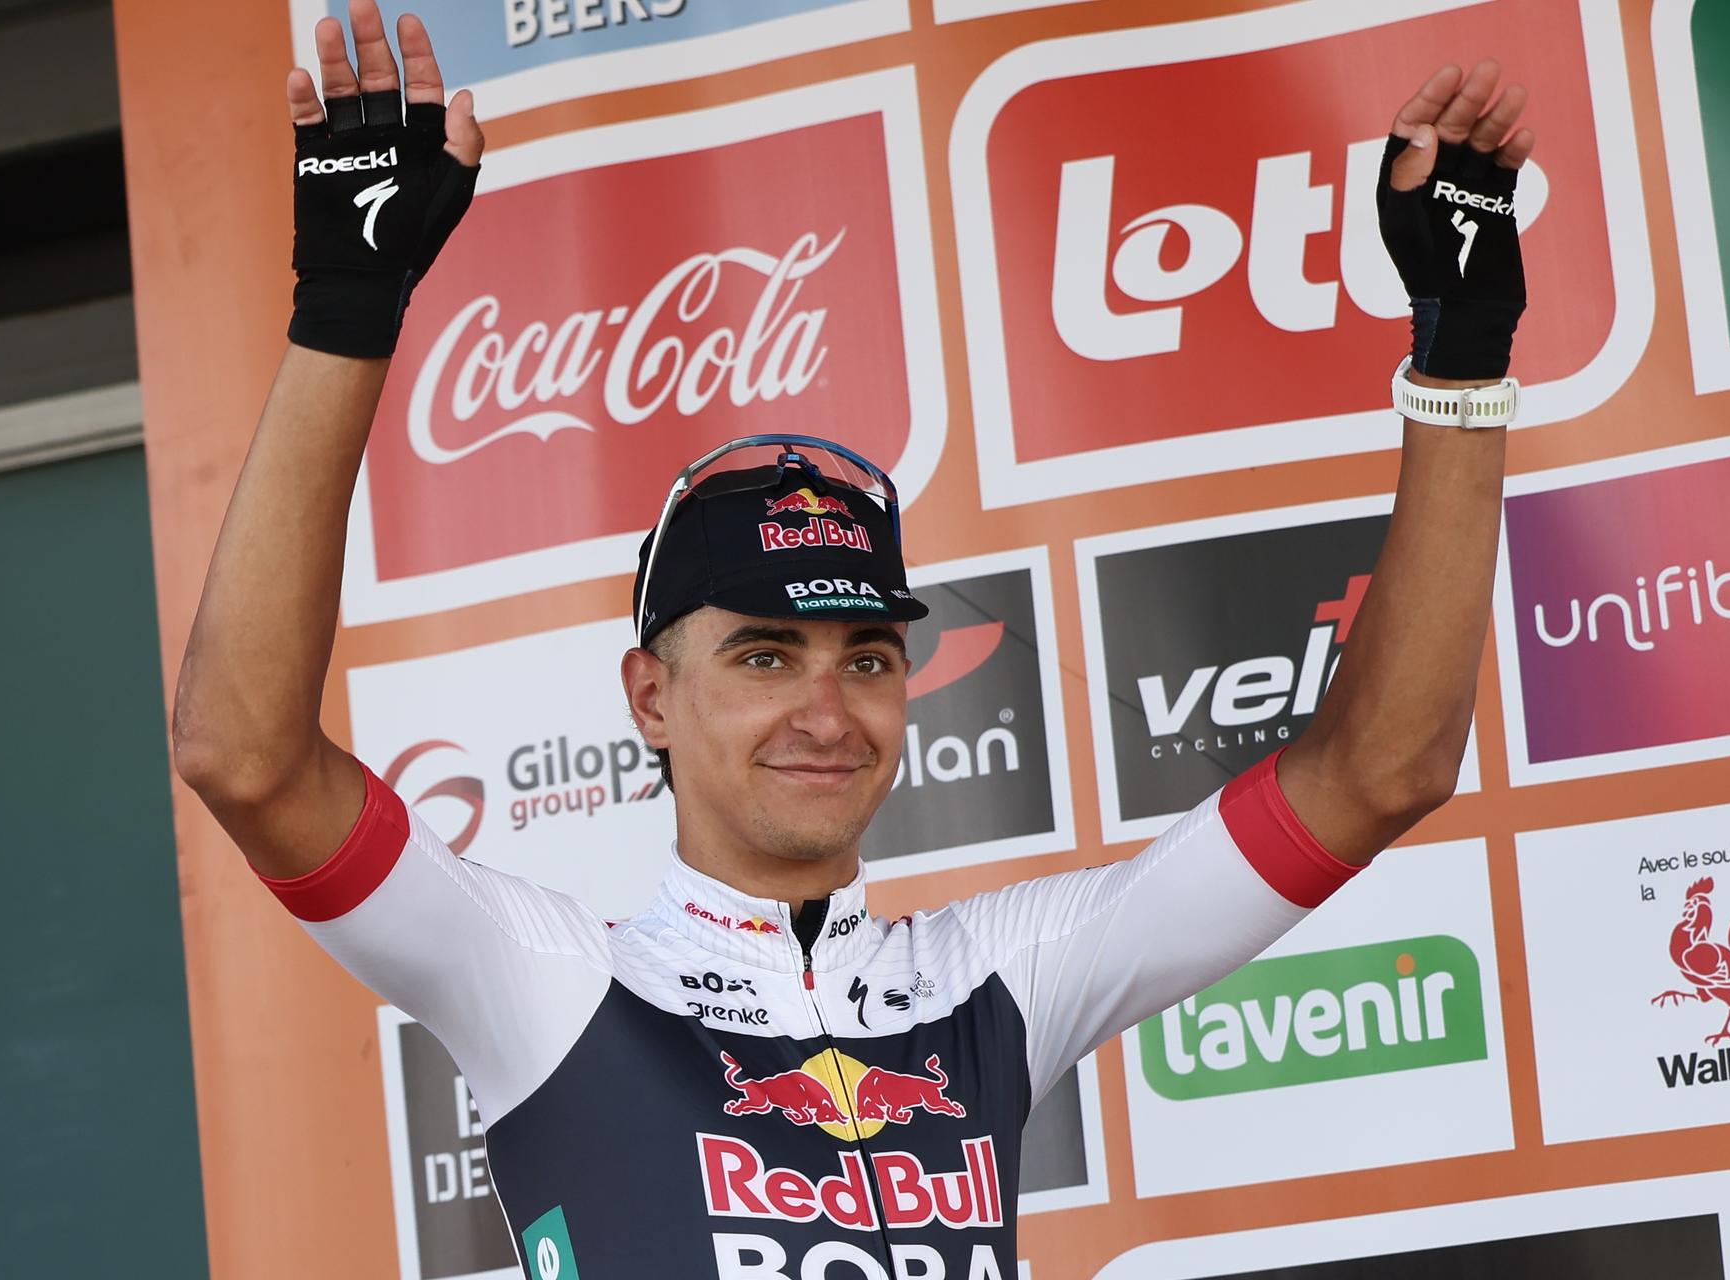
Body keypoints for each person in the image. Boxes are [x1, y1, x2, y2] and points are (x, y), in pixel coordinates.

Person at [170, 3, 1535, 1275]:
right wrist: (346, 320)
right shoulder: (546, 981)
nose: (829, 710)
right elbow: (244, 754)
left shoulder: (996, 981)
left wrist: (1462, 362)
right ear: (650, 695)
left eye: (868, 660)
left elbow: (1384, 769)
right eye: (765, 655)